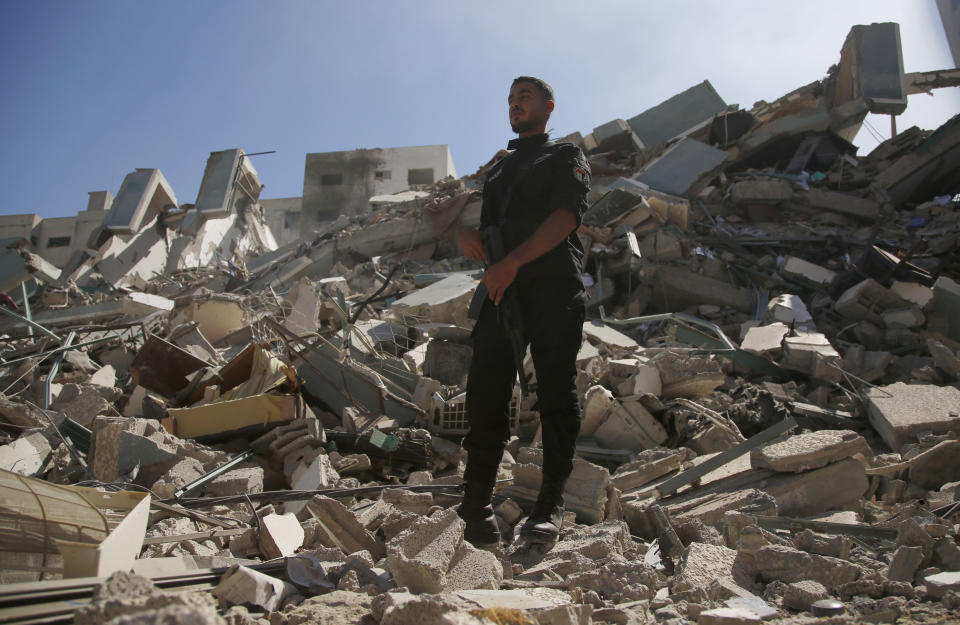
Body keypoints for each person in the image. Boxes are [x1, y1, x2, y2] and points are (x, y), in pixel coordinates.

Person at [456, 76, 591, 547]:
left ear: (548, 108)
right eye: (512, 99)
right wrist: (467, 240)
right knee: (485, 396)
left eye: (525, 98)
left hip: (552, 286)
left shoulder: (564, 155)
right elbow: (485, 229)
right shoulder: (498, 171)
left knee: (555, 394)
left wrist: (512, 262)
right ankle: (474, 511)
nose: (515, 105)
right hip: (501, 291)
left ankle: (548, 507)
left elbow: (565, 218)